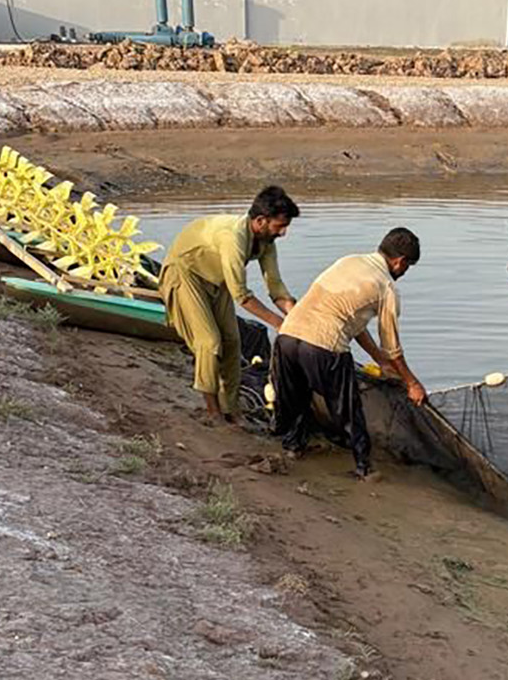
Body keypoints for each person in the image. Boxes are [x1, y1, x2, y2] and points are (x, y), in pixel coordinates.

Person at [272, 227, 428, 480]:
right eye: (407, 267)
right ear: (399, 262)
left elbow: (353, 323)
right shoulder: (385, 286)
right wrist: (412, 383)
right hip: (324, 345)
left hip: (288, 336)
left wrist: (380, 362)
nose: (404, 272)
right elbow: (393, 348)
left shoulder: (349, 261)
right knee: (348, 409)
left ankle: (293, 447)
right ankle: (364, 467)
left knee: (298, 396)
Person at [160, 186, 298, 423]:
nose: (283, 233)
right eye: (280, 226)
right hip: (186, 274)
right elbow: (241, 295)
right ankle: (213, 411)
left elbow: (275, 285)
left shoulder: (266, 242)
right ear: (261, 221)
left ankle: (231, 408)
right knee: (209, 342)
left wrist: (295, 318)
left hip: (217, 280)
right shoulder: (232, 238)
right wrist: (278, 323)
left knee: (233, 342)